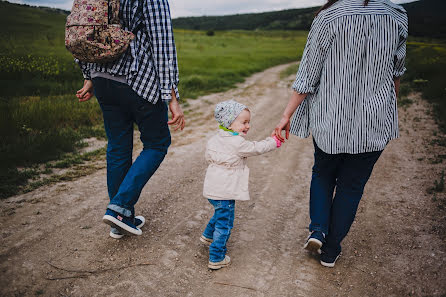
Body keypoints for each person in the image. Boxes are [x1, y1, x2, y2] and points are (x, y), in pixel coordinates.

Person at [273, 0, 407, 267]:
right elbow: (397, 73)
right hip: (374, 121)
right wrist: (389, 108)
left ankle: (318, 230)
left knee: (323, 174)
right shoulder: (397, 15)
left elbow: (307, 74)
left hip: (330, 119)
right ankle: (331, 251)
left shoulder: (328, 17)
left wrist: (286, 114)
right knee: (352, 187)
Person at [75, 0, 185, 239]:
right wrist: (172, 95)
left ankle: (120, 220)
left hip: (101, 77)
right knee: (157, 144)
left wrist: (88, 75)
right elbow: (162, 43)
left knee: (118, 146)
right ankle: (119, 209)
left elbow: (82, 31)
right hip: (137, 78)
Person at [201, 100, 282, 270]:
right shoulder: (237, 143)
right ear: (229, 122)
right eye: (244, 122)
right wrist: (274, 141)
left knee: (219, 212)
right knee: (225, 223)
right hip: (226, 190)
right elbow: (257, 147)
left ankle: (208, 235)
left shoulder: (214, 139)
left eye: (248, 122)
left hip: (212, 188)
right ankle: (216, 257)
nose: (248, 126)